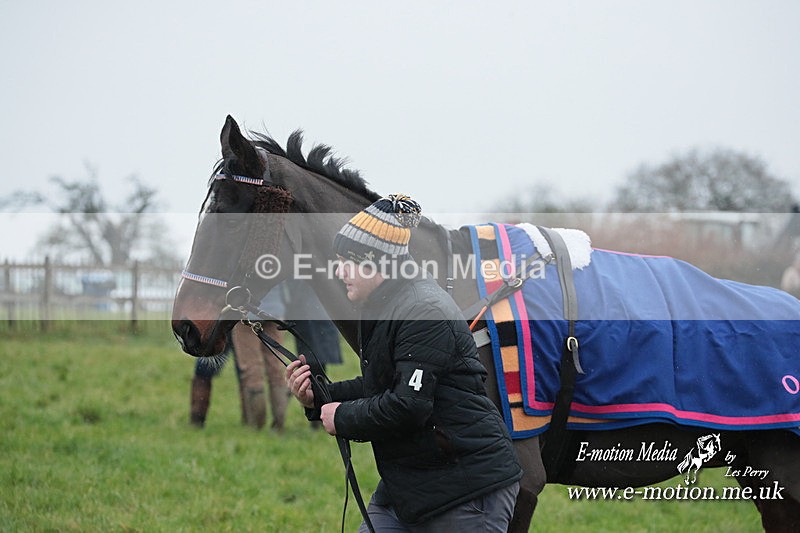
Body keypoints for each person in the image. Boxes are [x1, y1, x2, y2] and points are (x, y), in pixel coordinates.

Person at [286, 194, 522, 532]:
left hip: (467, 489)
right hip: (411, 485)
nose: (338, 271)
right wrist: (320, 396)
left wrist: (342, 416)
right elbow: (380, 383)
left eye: (346, 261)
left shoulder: (424, 311)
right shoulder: (383, 304)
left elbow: (408, 406)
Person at [190, 286, 288, 430]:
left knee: (252, 368)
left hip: (247, 314)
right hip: (274, 311)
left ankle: (256, 426)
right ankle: (279, 425)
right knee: (276, 368)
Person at [283, 279, 343, 429]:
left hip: (310, 315)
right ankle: (318, 414)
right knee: (313, 366)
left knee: (313, 367)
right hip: (312, 316)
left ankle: (319, 414)